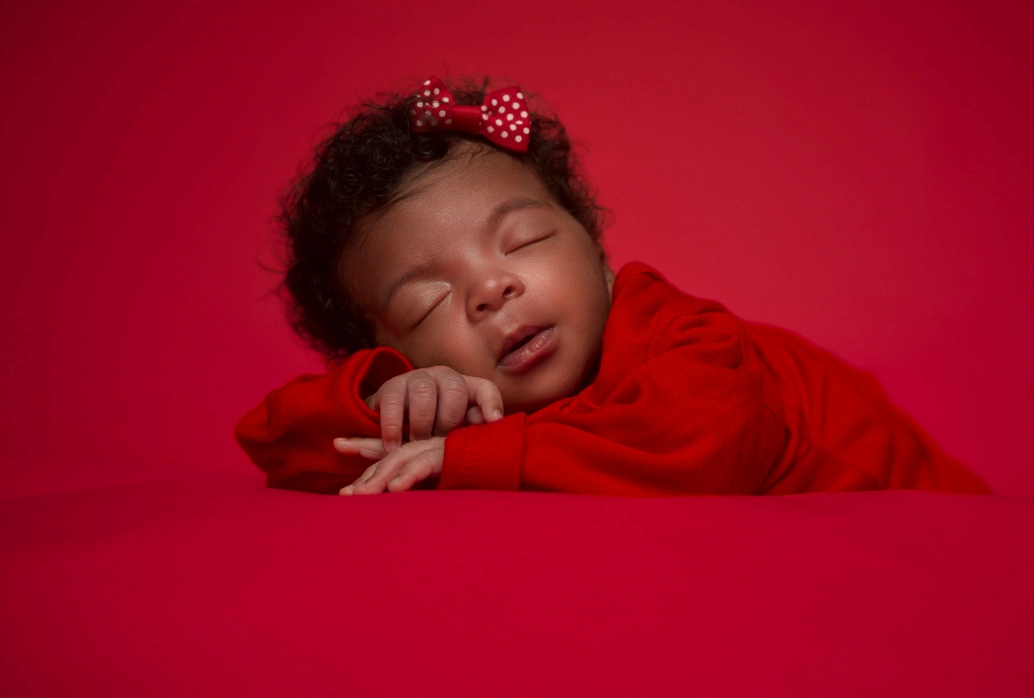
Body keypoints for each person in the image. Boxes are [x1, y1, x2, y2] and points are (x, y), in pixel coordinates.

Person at [235, 76, 989, 497]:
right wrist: (390, 397)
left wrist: (467, 460)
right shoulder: (441, 402)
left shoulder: (677, 333)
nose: (491, 290)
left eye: (523, 241)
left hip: (925, 511)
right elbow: (280, 445)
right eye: (427, 302)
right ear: (389, 343)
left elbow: (710, 447)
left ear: (597, 256)